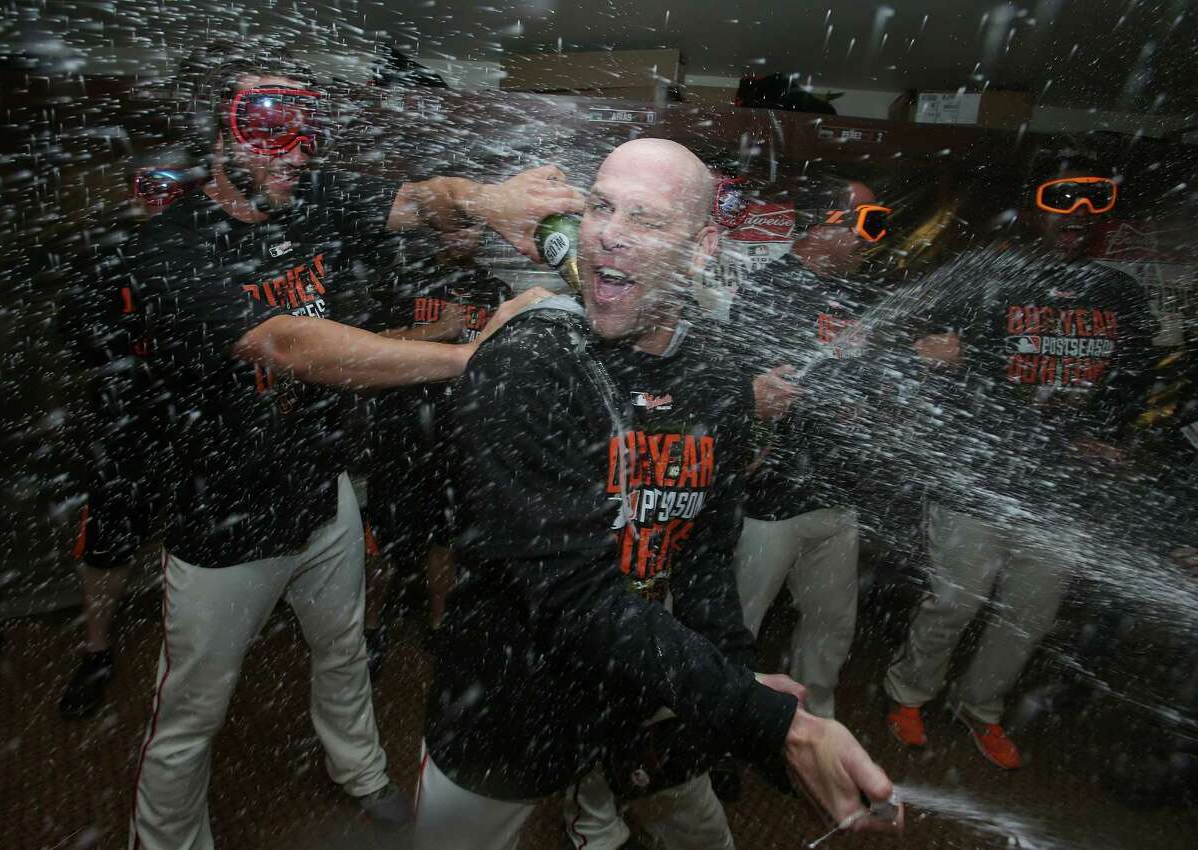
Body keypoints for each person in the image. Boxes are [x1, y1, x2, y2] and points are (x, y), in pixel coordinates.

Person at [125, 40, 580, 850]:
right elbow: (292, 347)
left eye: (305, 126)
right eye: (267, 125)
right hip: (223, 518)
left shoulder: (311, 194)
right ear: (220, 140)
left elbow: (418, 199)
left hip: (321, 492)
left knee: (342, 651)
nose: (294, 149)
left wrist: (484, 199)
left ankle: (360, 771)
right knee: (193, 709)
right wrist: (471, 358)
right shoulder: (173, 245)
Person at [413, 138, 903, 850]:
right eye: (602, 207)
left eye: (645, 218)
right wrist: (774, 725)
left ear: (702, 246)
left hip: (646, 685)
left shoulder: (716, 377)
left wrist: (733, 675)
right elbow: (571, 597)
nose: (610, 232)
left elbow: (704, 554)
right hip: (508, 700)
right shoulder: (528, 362)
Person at [884, 149, 1159, 769]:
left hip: (1062, 488)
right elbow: (923, 358)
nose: (1080, 212)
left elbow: (1132, 379)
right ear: (1034, 208)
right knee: (954, 601)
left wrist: (1110, 435)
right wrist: (960, 363)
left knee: (1030, 614)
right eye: (1063, 199)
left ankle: (980, 707)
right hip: (975, 480)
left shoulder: (1119, 292)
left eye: (1095, 198)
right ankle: (908, 692)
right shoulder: (987, 278)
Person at [729, 177, 890, 721]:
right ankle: (724, 728)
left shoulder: (856, 296)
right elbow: (770, 387)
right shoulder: (769, 289)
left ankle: (815, 728)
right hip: (773, 500)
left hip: (838, 495)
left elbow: (865, 379)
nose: (874, 240)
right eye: (868, 223)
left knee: (832, 623)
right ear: (827, 223)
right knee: (739, 624)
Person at [56, 152, 193, 720]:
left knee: (203, 541)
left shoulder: (205, 251)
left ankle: (203, 651)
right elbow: (78, 335)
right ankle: (96, 649)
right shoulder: (105, 257)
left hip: (199, 427)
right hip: (127, 427)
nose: (159, 194)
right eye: (149, 184)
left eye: (171, 185)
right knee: (110, 539)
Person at [362, 221, 512, 676]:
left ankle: (439, 626)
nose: (461, 236)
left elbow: (503, 357)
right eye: (455, 226)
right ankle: (367, 630)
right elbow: (368, 347)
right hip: (402, 430)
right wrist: (437, 333)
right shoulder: (405, 278)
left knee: (446, 536)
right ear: (437, 229)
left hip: (461, 433)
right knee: (385, 539)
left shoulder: (493, 288)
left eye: (471, 228)